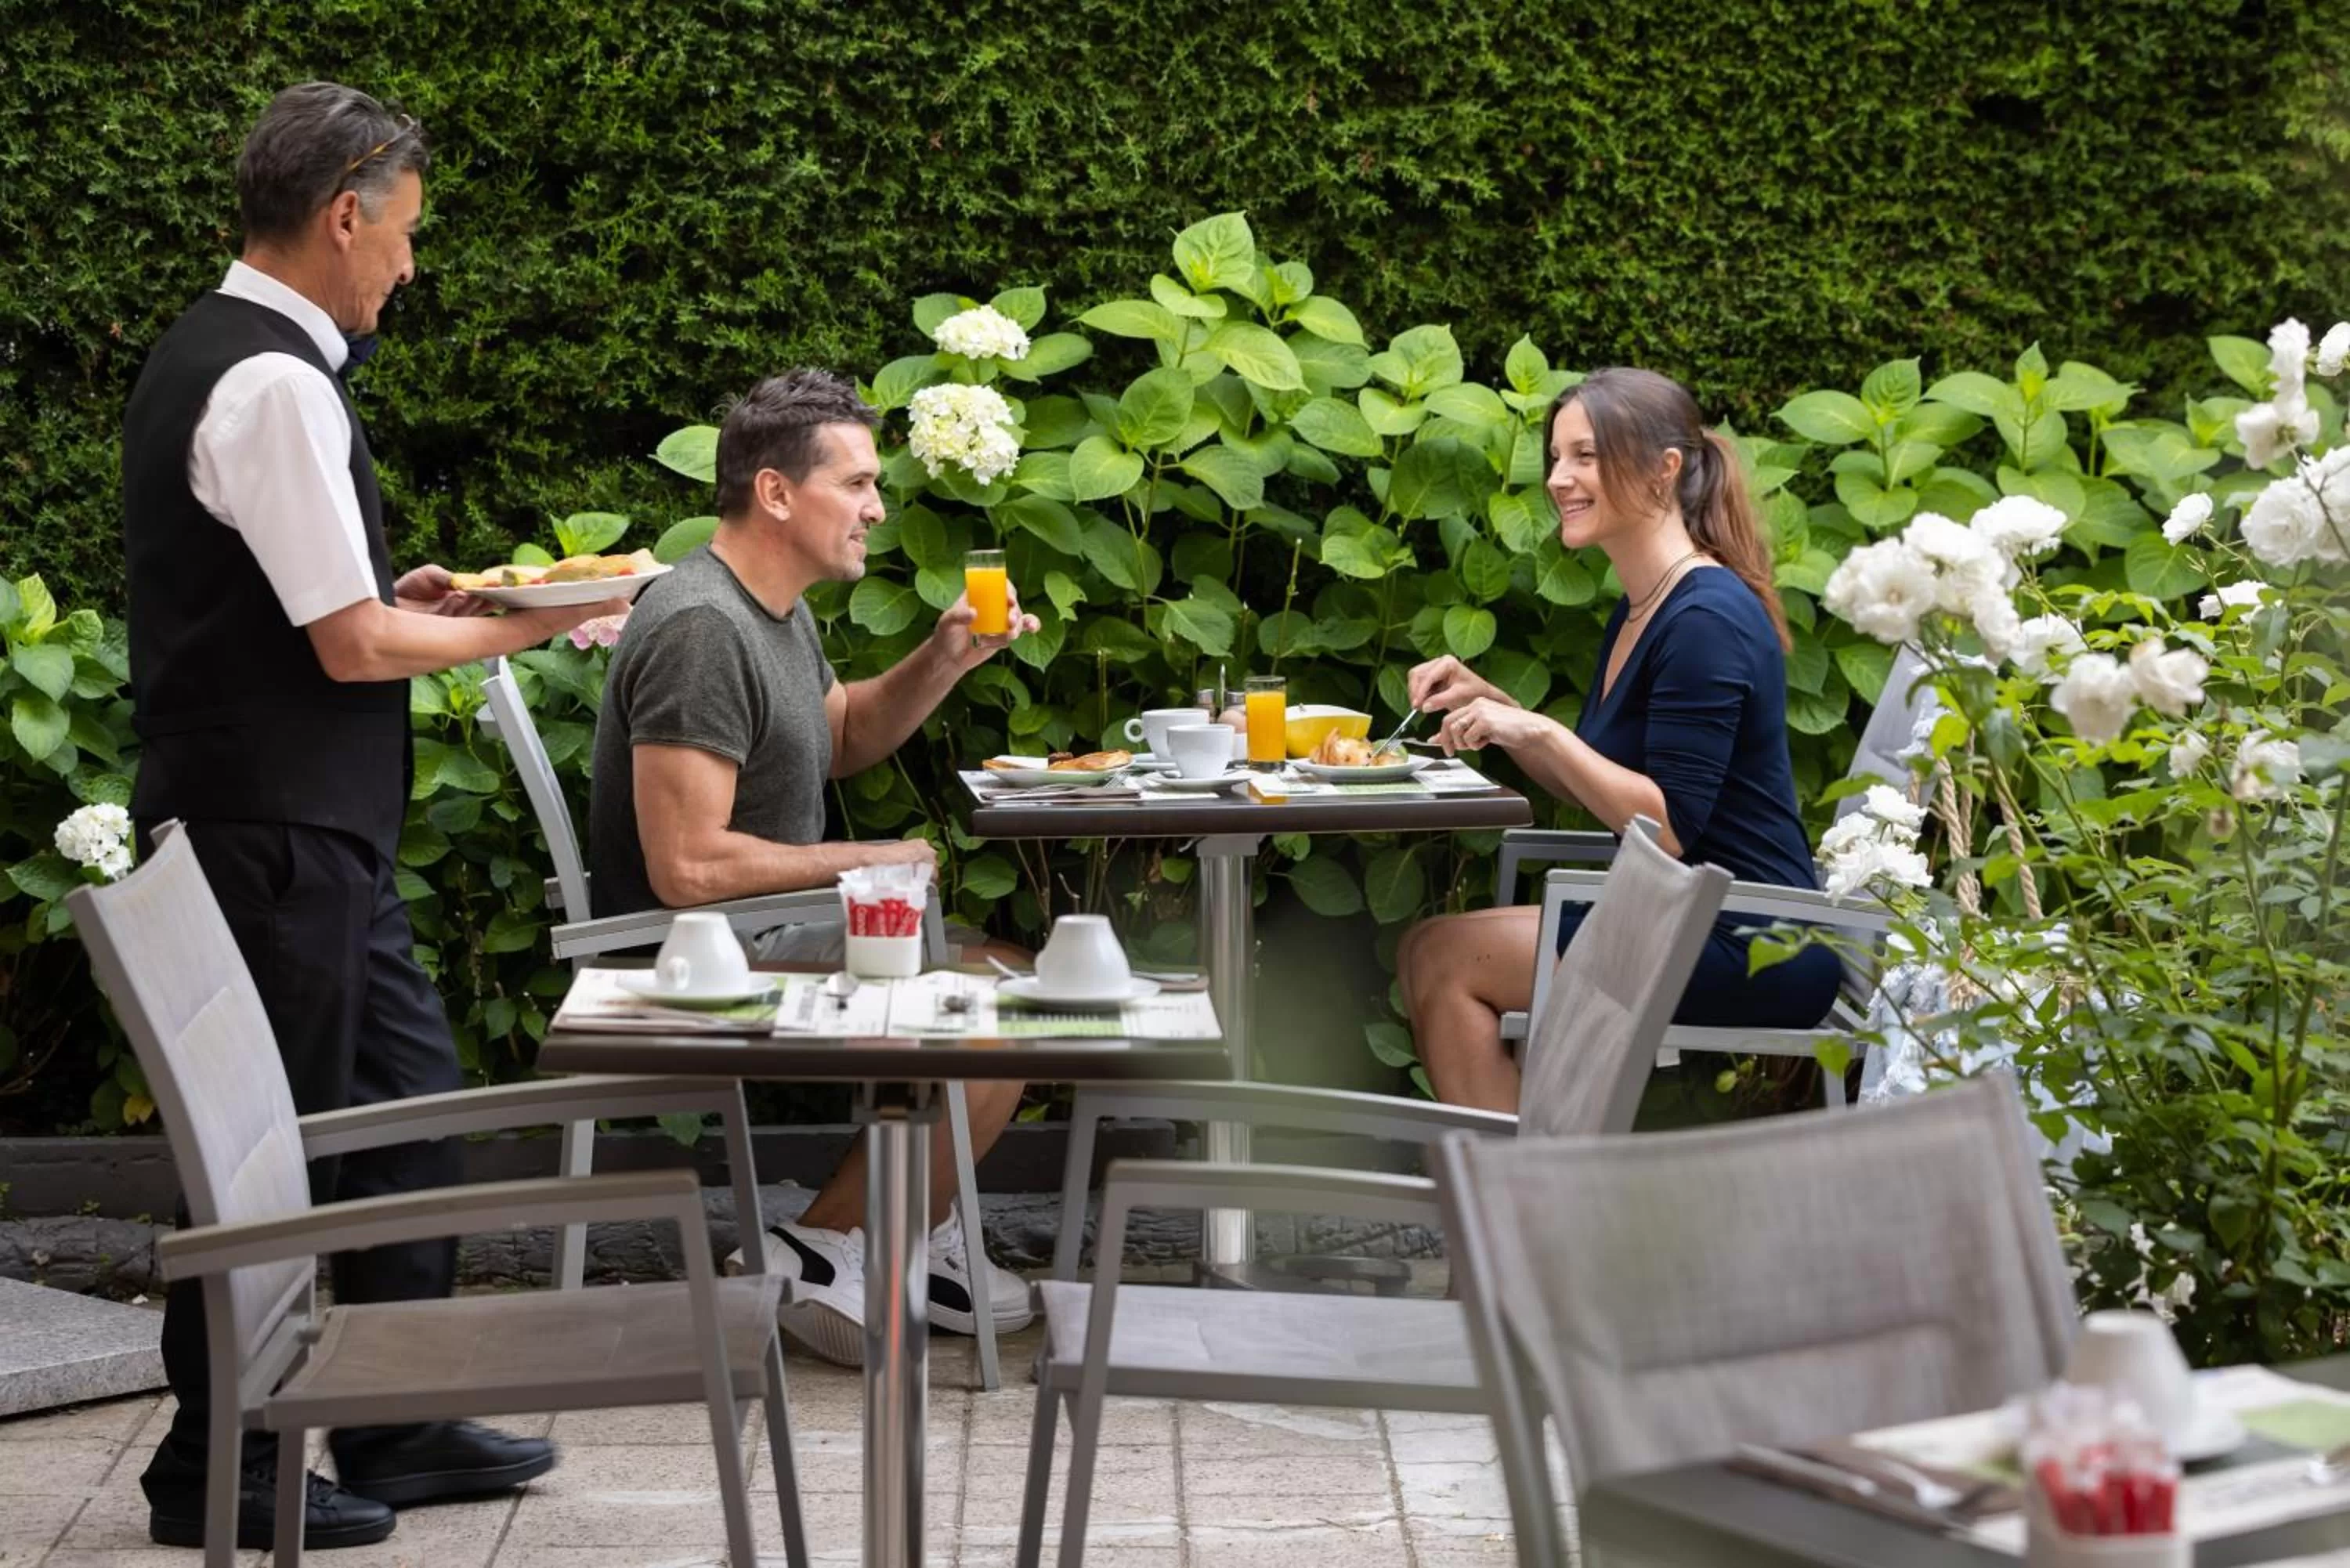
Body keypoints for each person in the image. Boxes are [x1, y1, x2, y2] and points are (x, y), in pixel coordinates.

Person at [121, 84, 624, 1549]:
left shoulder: (220, 356)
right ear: (347, 215)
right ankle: (214, 1464)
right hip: (273, 833)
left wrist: (436, 602)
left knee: (405, 1117)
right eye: (404, 235)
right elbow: (345, 648)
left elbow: (311, 604)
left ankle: (393, 1419)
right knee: (266, 1167)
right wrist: (541, 620)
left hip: (305, 832)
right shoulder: (274, 377)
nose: (410, 264)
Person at [589, 368, 1038, 1364]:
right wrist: (878, 858)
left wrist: (947, 654)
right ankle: (830, 1242)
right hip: (694, 957)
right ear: (776, 493)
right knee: (993, 1010)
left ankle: (911, 1232)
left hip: (753, 931)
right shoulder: (703, 627)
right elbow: (686, 867)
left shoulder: (771, 610)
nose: (878, 508)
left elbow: (839, 736)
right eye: (859, 484)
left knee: (1007, 973)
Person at [1395, 367, 1844, 1113]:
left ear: (1666, 469)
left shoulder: (1704, 618)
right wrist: (1497, 708)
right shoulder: (1648, 607)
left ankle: (1516, 1206)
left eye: (1586, 457)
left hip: (1753, 941)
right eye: (1555, 457)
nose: (1558, 479)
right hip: (1683, 917)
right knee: (1426, 948)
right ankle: (1523, 1199)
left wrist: (1534, 726)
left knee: (1445, 961)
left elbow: (1666, 827)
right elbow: (1600, 783)